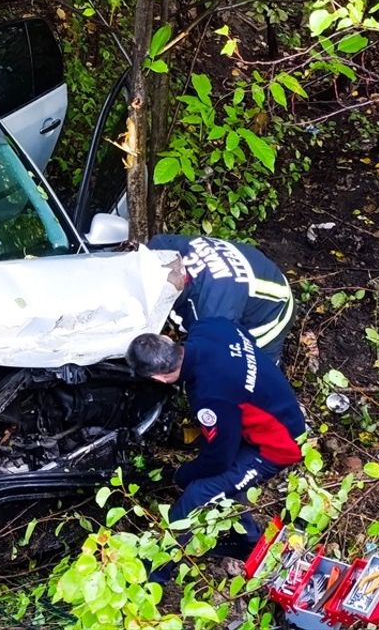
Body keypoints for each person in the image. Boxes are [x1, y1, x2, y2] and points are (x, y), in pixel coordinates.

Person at [126, 318, 306, 578]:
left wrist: (181, 476)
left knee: (199, 492)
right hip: (270, 409)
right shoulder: (210, 327)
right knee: (227, 484)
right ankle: (247, 542)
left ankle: (151, 574)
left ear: (159, 378)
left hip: (278, 445)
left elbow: (220, 459)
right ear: (167, 340)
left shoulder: (210, 396)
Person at [148, 234, 294, 363]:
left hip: (273, 310)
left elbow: (217, 352)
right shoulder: (161, 246)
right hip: (252, 271)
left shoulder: (211, 313)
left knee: (249, 370)